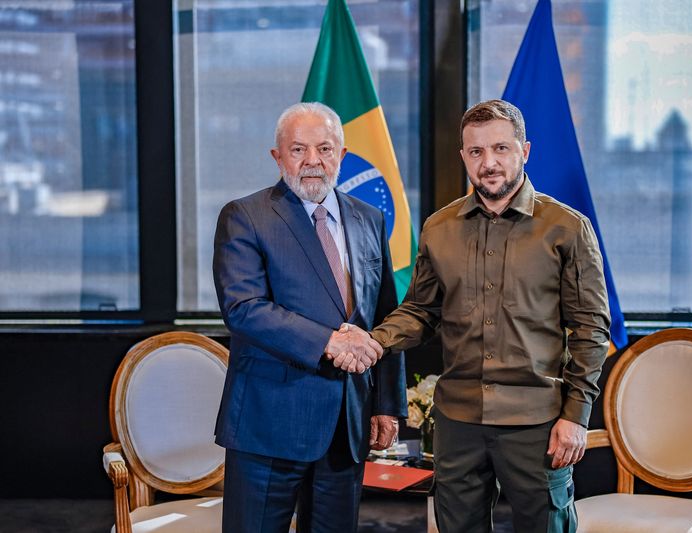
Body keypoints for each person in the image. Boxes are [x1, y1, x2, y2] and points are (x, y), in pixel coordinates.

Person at [369, 99, 610, 533]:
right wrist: (373, 341)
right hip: (458, 423)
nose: (489, 163)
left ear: (525, 151)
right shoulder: (438, 228)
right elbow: (421, 312)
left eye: (500, 148)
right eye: (476, 152)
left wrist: (576, 416)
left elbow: (591, 330)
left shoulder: (567, 228)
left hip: (537, 423)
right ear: (463, 156)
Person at [212, 102, 406, 533]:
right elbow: (244, 309)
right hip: (269, 426)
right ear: (277, 157)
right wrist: (329, 342)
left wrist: (386, 405)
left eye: (325, 148)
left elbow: (384, 315)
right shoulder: (245, 216)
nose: (313, 161)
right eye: (298, 149)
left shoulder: (369, 219)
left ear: (342, 153)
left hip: (346, 426)